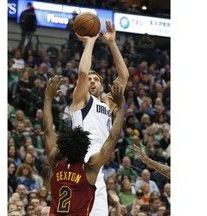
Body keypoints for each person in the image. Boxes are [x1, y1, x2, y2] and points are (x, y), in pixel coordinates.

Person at [70, 20, 129, 216]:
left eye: (96, 79)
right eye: (90, 80)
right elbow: (83, 72)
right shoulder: (80, 101)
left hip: (98, 169)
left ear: (102, 86)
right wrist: (91, 41)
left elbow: (124, 77)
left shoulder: (106, 104)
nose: (92, 81)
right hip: (80, 164)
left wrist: (112, 43)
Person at [43, 75, 125, 215]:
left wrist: (47, 98)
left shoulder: (55, 163)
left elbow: (48, 130)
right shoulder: (89, 171)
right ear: (85, 149)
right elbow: (113, 137)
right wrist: (121, 106)